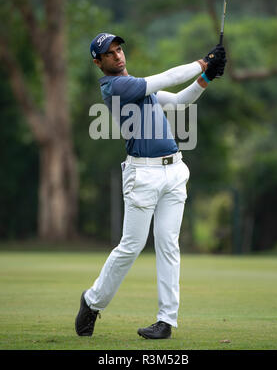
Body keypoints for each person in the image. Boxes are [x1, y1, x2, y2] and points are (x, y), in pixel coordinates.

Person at [75, 32, 226, 339]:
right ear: (98, 62)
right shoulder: (115, 87)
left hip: (174, 171)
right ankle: (91, 301)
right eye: (110, 53)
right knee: (131, 247)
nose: (118, 55)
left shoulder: (139, 86)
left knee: (169, 245)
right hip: (142, 176)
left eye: (119, 49)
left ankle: (166, 321)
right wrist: (203, 62)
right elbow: (168, 77)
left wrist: (206, 78)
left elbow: (181, 101)